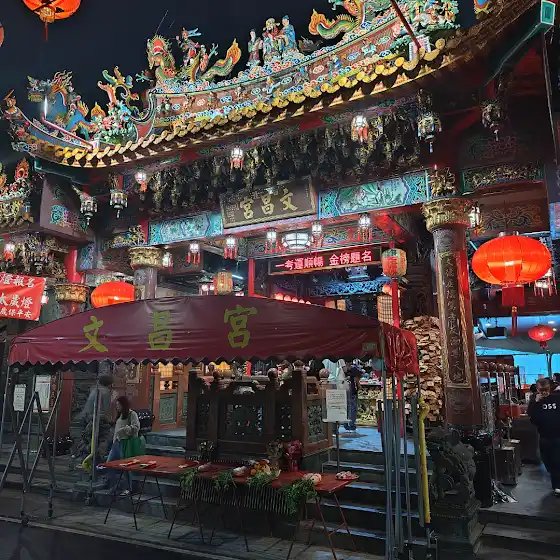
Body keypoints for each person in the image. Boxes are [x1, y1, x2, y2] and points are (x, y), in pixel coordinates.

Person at [528, 377, 560, 495]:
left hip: (558, 435)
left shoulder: (557, 398)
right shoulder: (535, 402)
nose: (544, 392)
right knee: (547, 460)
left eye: (546, 389)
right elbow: (532, 418)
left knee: (557, 460)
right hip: (544, 436)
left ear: (549, 388)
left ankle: (557, 485)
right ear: (537, 389)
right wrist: (536, 402)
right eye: (541, 390)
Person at [105, 396, 141, 495]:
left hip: (126, 443)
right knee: (109, 464)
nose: (117, 407)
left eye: (118, 405)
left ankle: (129, 488)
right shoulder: (119, 415)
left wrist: (126, 429)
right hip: (116, 443)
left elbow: (136, 427)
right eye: (116, 405)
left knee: (126, 467)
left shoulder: (132, 414)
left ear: (123, 405)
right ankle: (114, 485)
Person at [343, 360, 362, 432]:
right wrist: (359, 386)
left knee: (346, 407)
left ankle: (346, 424)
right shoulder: (354, 369)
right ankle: (352, 425)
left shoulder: (342, 369)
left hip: (344, 389)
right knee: (353, 407)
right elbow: (357, 379)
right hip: (352, 389)